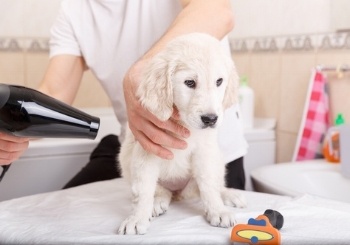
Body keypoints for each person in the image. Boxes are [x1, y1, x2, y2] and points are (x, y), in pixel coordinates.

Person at [0, 0, 248, 190]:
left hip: (208, 155)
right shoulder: (73, 12)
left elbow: (218, 12)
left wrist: (144, 69)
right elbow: (55, 92)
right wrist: (14, 128)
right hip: (141, 153)